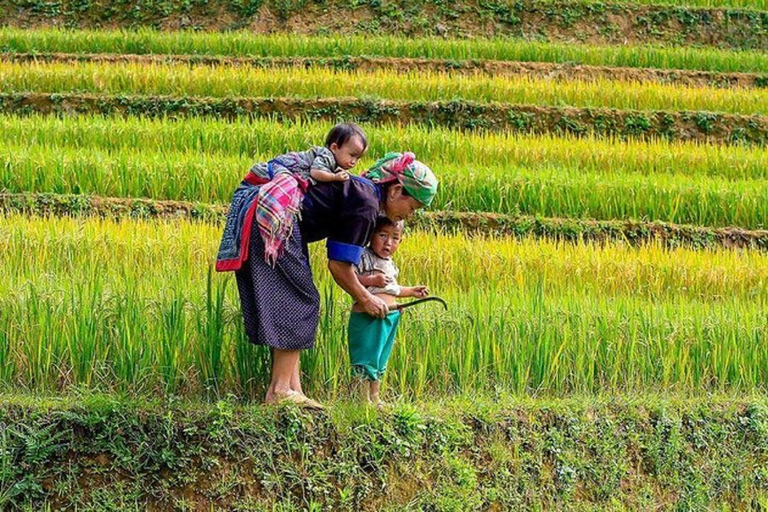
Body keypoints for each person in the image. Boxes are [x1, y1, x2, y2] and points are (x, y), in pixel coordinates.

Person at [216, 148, 438, 408]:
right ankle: (279, 390)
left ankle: (290, 388)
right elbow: (339, 266)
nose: (409, 215)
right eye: (412, 206)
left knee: (292, 297)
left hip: (268, 215)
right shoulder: (366, 204)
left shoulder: (362, 194)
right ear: (396, 190)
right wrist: (365, 298)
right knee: (301, 300)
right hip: (277, 218)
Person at [349, 217, 429, 405]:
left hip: (390, 316)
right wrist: (372, 280)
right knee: (366, 357)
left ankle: (375, 397)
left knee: (379, 359)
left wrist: (412, 291)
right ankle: (361, 399)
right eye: (383, 235)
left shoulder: (390, 264)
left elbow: (394, 289)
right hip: (369, 315)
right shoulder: (363, 256)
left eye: (395, 238)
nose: (388, 243)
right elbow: (349, 277)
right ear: (371, 235)